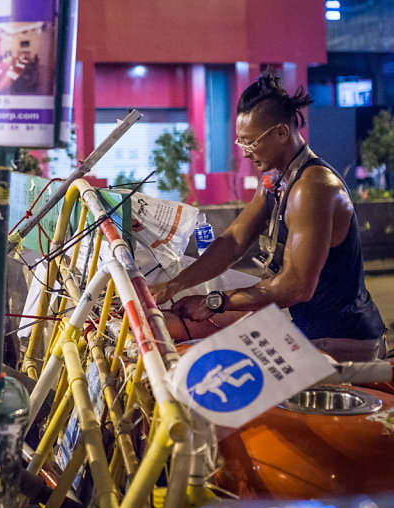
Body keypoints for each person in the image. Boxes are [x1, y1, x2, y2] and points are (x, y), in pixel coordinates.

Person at [150, 74, 387, 362]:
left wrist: (215, 302)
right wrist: (174, 284)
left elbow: (296, 285)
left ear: (281, 133)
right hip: (309, 328)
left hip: (340, 339)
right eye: (241, 143)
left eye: (251, 143)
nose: (246, 153)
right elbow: (234, 240)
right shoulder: (277, 178)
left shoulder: (312, 188)